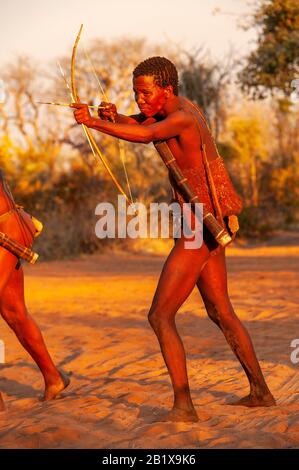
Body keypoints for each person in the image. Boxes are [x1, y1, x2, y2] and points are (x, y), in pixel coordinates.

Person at [72, 56, 275, 422]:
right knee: (220, 311)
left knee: (160, 316)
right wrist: (110, 117)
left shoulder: (180, 118)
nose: (140, 100)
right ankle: (260, 391)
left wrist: (94, 124)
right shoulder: (177, 108)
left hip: (199, 226)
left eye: (145, 93)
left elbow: (148, 133)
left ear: (166, 89)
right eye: (136, 93)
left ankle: (184, 406)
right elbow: (141, 123)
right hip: (207, 223)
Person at [0, 172, 69, 406]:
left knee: (15, 313)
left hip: (8, 228)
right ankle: (54, 378)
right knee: (14, 313)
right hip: (10, 226)